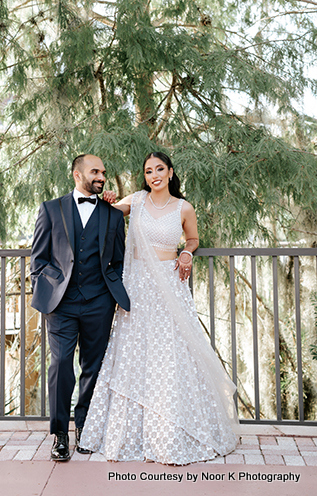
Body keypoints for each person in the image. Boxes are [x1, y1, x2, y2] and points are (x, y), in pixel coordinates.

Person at [80, 152, 239, 464]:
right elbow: (107, 210)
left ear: (170, 172)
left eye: (159, 170)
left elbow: (192, 239)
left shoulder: (184, 207)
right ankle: (130, 433)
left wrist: (187, 253)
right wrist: (110, 198)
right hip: (136, 285)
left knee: (172, 352)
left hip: (168, 285)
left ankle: (172, 430)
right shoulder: (137, 200)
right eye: (148, 170)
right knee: (133, 352)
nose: (154, 175)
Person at [30, 154, 130, 461]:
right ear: (78, 174)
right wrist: (47, 287)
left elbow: (118, 260)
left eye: (103, 171)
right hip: (61, 303)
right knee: (61, 365)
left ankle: (85, 428)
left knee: (93, 367)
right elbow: (39, 258)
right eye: (95, 171)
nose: (101, 176)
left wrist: (111, 293)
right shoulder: (51, 209)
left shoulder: (112, 215)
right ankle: (60, 433)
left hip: (100, 301)